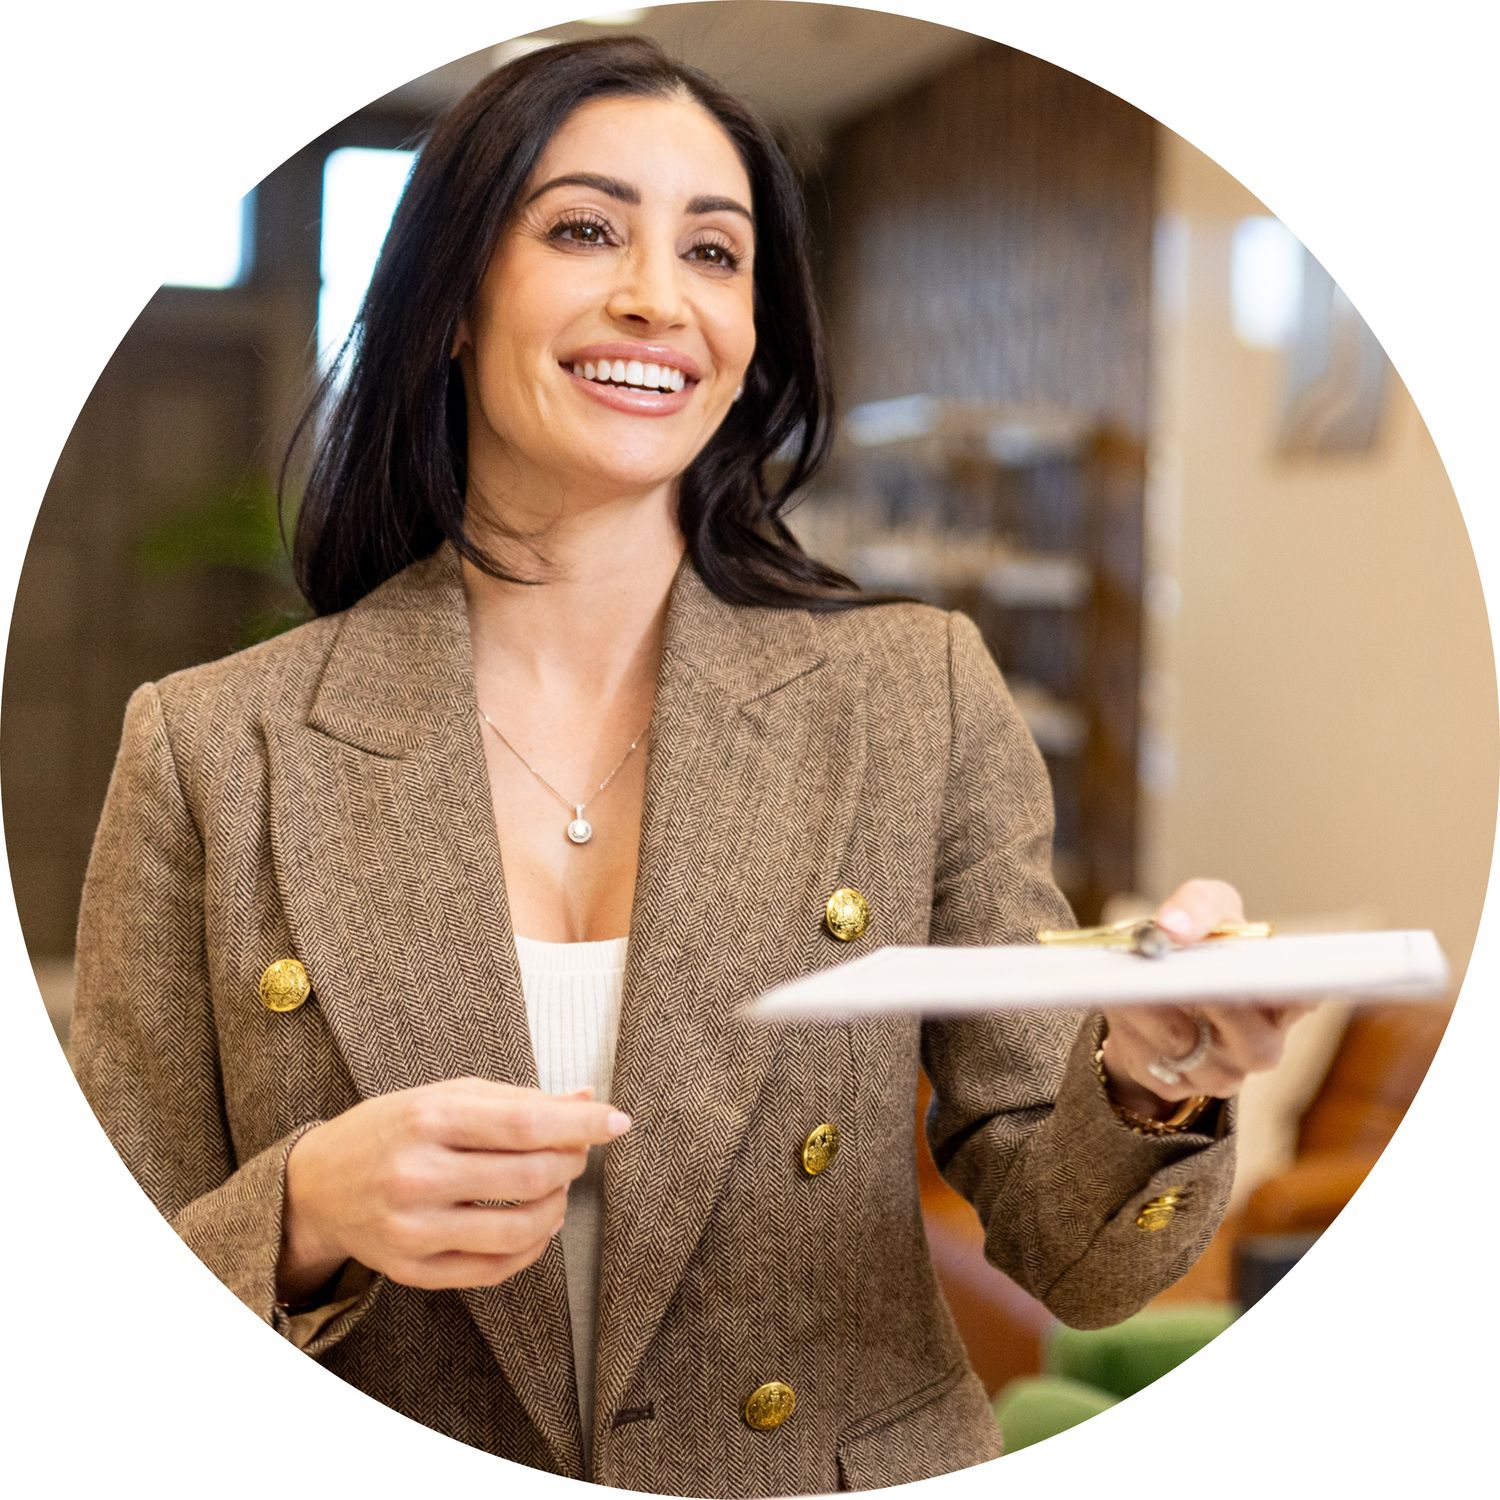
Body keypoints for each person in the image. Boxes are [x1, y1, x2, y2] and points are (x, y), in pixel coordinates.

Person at [69, 34, 1306, 1496]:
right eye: (585, 229)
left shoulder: (911, 694)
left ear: (751, 338)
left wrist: (1151, 1081)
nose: (658, 296)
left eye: (714, 253)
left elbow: (1076, 1259)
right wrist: (304, 1210)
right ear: (454, 299)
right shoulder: (218, 745)